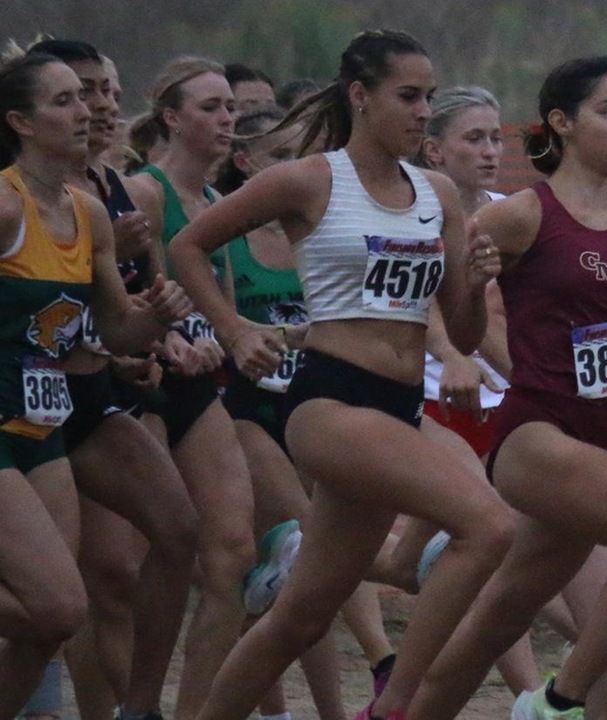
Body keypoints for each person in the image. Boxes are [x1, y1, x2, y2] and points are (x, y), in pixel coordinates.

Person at [168, 29, 515, 720]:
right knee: (490, 526)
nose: (423, 113)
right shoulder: (310, 179)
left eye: (430, 99)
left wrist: (474, 286)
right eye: (408, 97)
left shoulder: (437, 192)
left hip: (397, 404)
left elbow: (465, 335)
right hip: (329, 402)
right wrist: (236, 331)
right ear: (361, 96)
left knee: (298, 618)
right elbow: (187, 244)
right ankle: (398, 704)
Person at [407, 55, 607, 720]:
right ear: (562, 123)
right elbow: (453, 320)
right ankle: (556, 704)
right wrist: (466, 299)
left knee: (500, 615)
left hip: (606, 441)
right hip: (536, 438)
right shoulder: (524, 214)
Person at [0, 50, 191, 714]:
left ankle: (135, 709)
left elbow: (115, 330)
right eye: (65, 101)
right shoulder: (4, 204)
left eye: (87, 100)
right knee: (54, 603)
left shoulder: (88, 215)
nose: (87, 112)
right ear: (20, 122)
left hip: (44, 420)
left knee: (53, 617)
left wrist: (157, 318)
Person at [129, 56, 261, 720]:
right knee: (132, 564)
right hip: (141, 384)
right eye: (210, 107)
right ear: (172, 119)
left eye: (231, 108)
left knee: (233, 553)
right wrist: (167, 341)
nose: (227, 119)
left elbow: (223, 308)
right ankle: (135, 705)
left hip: (201, 385)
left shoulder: (218, 205)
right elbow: (123, 293)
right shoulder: (144, 191)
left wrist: (241, 340)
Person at [212, 104, 347, 720]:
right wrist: (243, 334)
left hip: (311, 410)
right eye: (279, 158)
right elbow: (206, 319)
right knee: (303, 548)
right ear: (246, 164)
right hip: (245, 411)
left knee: (302, 587)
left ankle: (305, 710)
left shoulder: (319, 231)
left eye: (303, 158)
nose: (293, 171)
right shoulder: (229, 236)